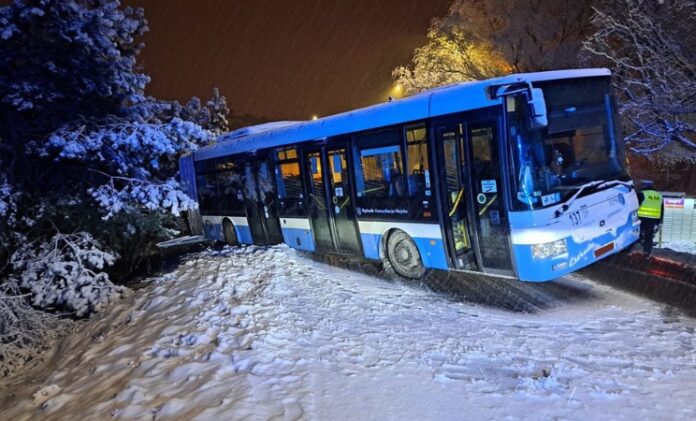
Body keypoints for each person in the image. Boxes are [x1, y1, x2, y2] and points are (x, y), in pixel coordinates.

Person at [637, 180, 664, 256]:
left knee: (638, 234)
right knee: (649, 236)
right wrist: (659, 221)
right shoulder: (659, 196)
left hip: (641, 218)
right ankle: (647, 252)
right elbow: (661, 209)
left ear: (645, 186)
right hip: (653, 219)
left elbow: (635, 206)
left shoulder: (641, 194)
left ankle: (637, 249)